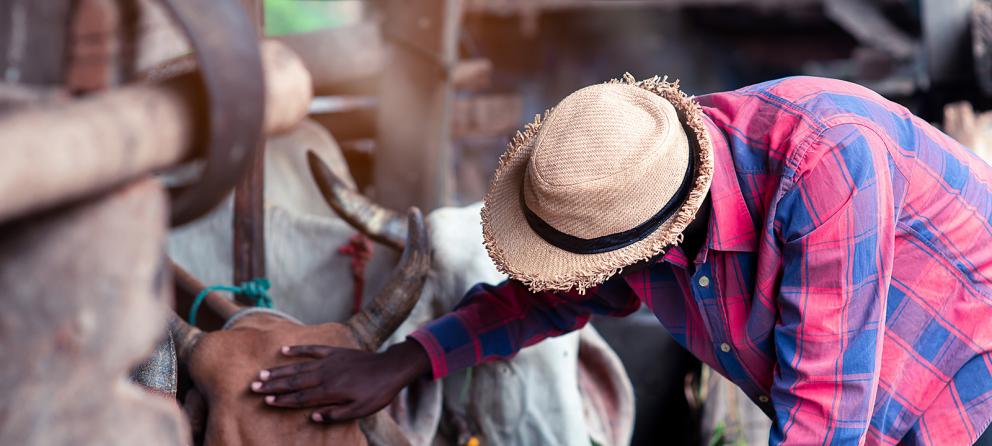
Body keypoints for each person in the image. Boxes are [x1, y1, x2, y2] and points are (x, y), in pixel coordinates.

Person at [249, 74, 992, 445]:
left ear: (654, 240)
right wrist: (403, 361)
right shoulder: (634, 180)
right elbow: (543, 297)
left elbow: (827, 416)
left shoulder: (826, 164)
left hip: (964, 385)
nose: (580, 280)